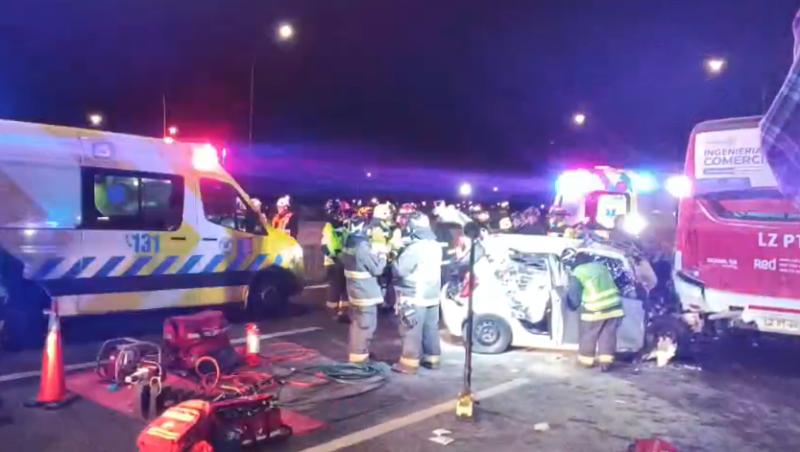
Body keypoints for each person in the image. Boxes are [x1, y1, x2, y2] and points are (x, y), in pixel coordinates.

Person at [391, 212, 443, 374]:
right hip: (432, 296)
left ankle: (409, 363)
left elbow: (400, 270)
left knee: (411, 329)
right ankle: (432, 359)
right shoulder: (435, 245)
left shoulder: (415, 248)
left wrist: (395, 254)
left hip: (415, 295)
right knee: (430, 329)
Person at [565, 251, 624, 372]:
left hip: (595, 308)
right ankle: (606, 363)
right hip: (615, 306)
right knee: (608, 335)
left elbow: (574, 294)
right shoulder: (601, 267)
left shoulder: (578, 272)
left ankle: (586, 361)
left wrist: (572, 306)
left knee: (588, 334)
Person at [341, 217, 388, 364]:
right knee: (365, 326)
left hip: (354, 292)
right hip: (365, 294)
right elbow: (377, 269)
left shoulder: (348, 244)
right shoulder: (362, 247)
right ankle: (359, 358)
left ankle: (359, 353)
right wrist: (382, 255)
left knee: (357, 324)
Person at [322, 199, 349, 320]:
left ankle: (343, 312)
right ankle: (333, 312)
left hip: (341, 260)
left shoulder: (341, 224)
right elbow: (326, 246)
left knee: (344, 288)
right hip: (334, 262)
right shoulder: (330, 226)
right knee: (335, 288)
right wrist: (336, 257)